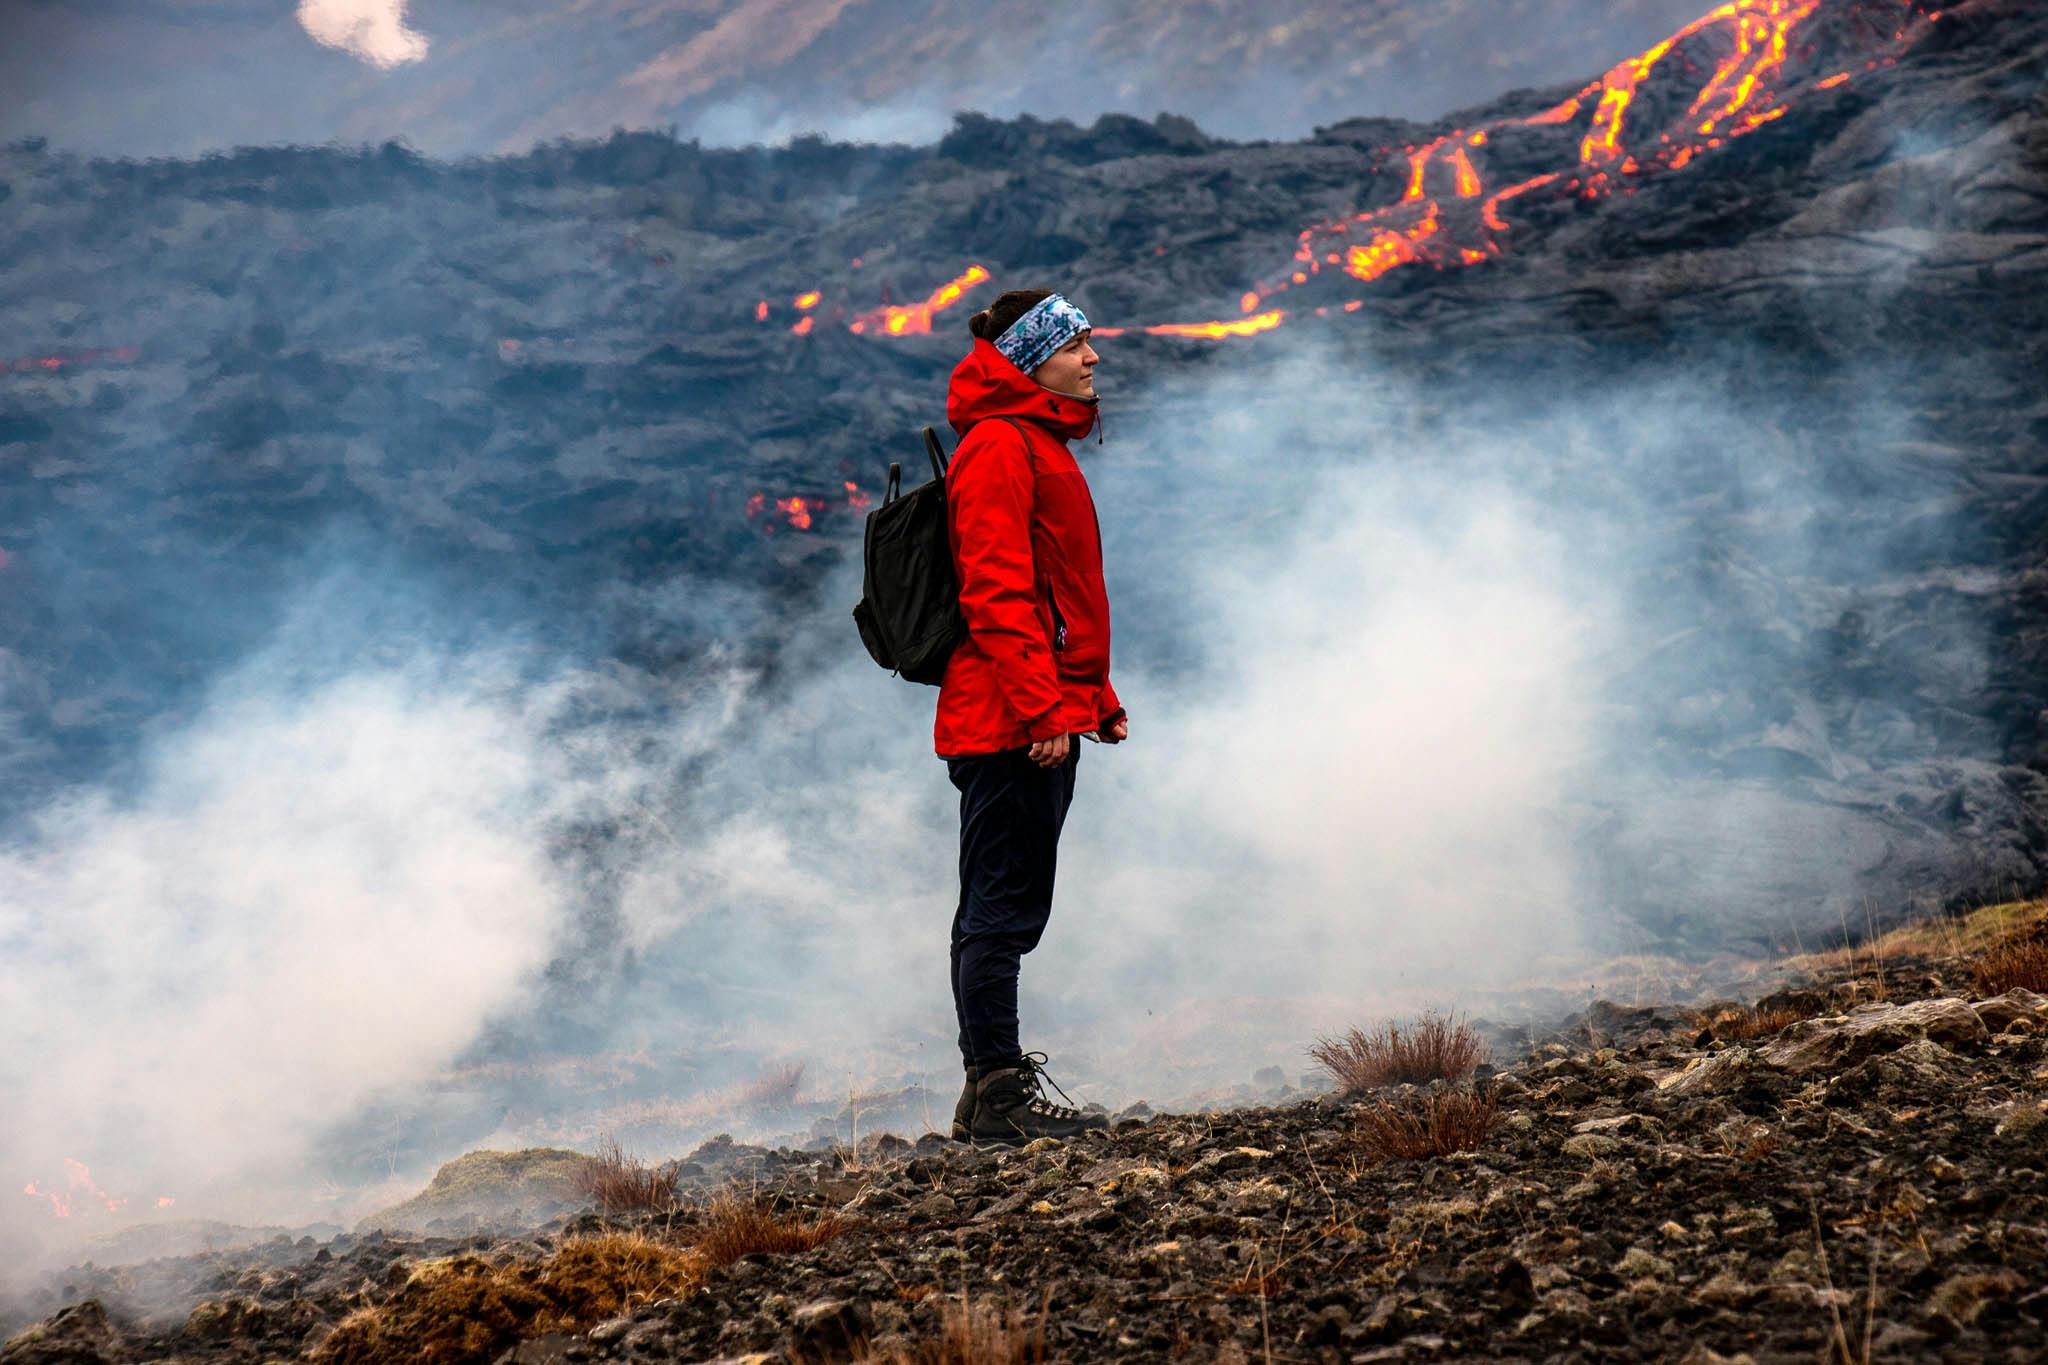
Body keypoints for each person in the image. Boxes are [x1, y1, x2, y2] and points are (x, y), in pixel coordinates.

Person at [936, 288, 1129, 1144]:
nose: (1093, 357)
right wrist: (1043, 707)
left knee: (1004, 903)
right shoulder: (1001, 446)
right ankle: (1001, 1094)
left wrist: (1095, 700)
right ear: (1028, 357)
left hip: (1033, 710)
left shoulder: (1030, 441)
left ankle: (988, 1095)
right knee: (1000, 909)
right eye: (1075, 343)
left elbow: (1057, 592)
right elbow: (998, 592)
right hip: (1011, 719)